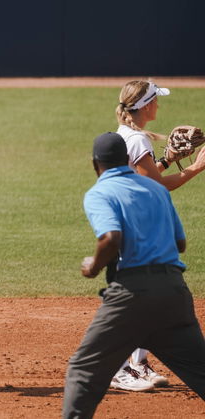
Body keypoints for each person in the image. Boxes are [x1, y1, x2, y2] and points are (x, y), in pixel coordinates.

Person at [62, 132, 205, 418]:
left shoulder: (100, 193)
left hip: (131, 296)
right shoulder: (157, 190)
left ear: (96, 164)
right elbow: (180, 244)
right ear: (127, 160)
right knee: (199, 368)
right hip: (174, 293)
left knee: (83, 370)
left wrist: (93, 267)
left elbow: (111, 237)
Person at [109, 80, 205, 391]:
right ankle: (120, 366)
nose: (159, 107)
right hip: (137, 230)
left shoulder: (131, 137)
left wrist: (167, 161)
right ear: (146, 106)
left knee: (152, 297)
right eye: (156, 101)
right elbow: (159, 187)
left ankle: (137, 362)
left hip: (138, 226)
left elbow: (145, 177)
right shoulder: (137, 141)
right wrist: (196, 168)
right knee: (141, 298)